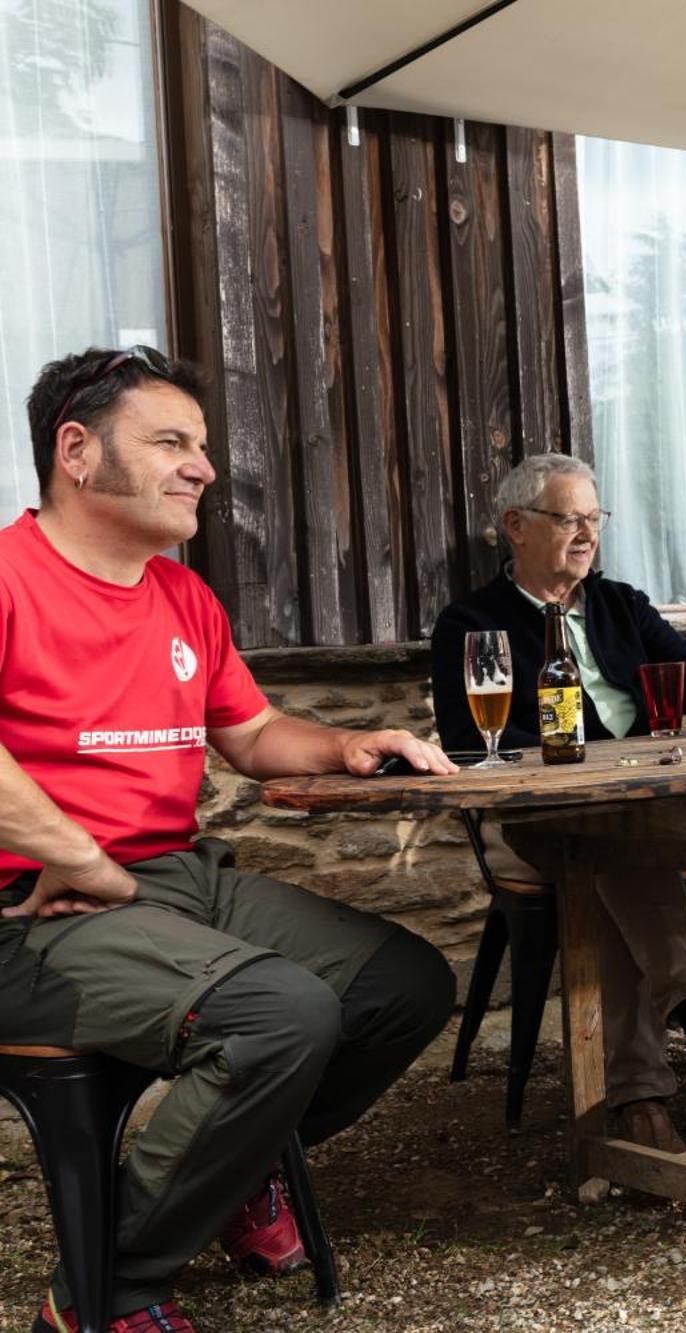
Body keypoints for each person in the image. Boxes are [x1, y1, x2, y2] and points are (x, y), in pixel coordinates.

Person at [0, 347, 458, 1333]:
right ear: (75, 450)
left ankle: (226, 1164)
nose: (203, 467)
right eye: (172, 441)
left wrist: (345, 741)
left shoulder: (182, 598)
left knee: (402, 986)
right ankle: (99, 1295)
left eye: (201, 446)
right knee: (280, 1012)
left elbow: (248, 735)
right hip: (31, 913)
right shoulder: (5, 578)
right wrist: (72, 848)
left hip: (173, 879)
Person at [430, 454, 686, 1153]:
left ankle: (641, 1100)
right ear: (516, 526)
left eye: (596, 518)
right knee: (614, 847)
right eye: (570, 519)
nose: (588, 533)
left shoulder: (621, 602)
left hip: (637, 812)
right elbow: (474, 739)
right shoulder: (472, 622)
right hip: (532, 818)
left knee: (618, 852)